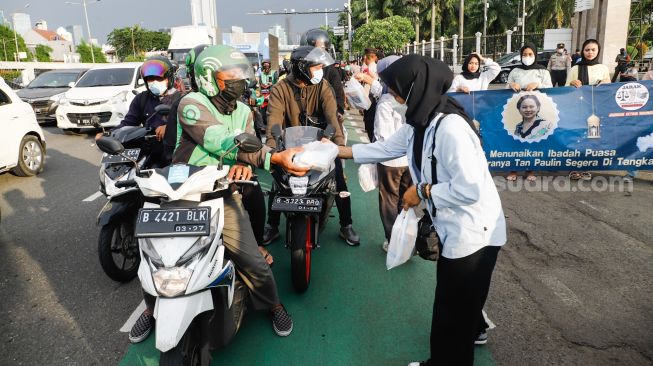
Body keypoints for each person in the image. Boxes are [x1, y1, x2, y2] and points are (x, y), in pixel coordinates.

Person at [335, 54, 506, 366]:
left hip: (474, 235)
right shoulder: (420, 121)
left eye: (397, 90)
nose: (393, 96)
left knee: (453, 316)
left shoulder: (450, 127)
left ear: (416, 89)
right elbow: (385, 149)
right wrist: (333, 151)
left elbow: (471, 189)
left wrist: (423, 191)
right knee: (450, 312)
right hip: (455, 229)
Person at [129, 45, 303, 344]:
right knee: (155, 256)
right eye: (230, 75)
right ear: (209, 77)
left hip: (220, 193)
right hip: (181, 193)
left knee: (252, 258)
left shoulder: (246, 111)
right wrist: (272, 158)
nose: (239, 80)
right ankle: (150, 307)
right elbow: (217, 139)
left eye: (240, 74)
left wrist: (244, 167)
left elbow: (243, 149)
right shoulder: (191, 103)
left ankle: (273, 304)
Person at [262, 45, 361, 246]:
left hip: (322, 143)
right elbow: (273, 120)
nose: (319, 71)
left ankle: (346, 225)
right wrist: (272, 150)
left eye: (320, 67)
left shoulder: (323, 86)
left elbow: (333, 117)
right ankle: (272, 227)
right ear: (300, 67)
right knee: (277, 181)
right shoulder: (280, 88)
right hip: (290, 145)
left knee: (339, 181)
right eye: (315, 67)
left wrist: (338, 147)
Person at [96, 55, 181, 169]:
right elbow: (128, 123)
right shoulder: (142, 99)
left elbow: (191, 126)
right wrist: (108, 134)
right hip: (149, 154)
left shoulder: (182, 99)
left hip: (175, 155)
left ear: (169, 78)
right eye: (150, 79)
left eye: (159, 78)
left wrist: (169, 127)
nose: (154, 82)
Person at [365, 55, 412, 252]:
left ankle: (393, 240)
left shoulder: (385, 101)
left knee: (389, 201)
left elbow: (382, 136)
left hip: (391, 162)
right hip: (410, 160)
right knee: (406, 200)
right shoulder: (414, 97)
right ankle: (406, 238)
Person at [506, 44, 552, 182]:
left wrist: (538, 85)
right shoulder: (515, 71)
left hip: (536, 108)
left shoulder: (543, 71)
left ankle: (530, 170)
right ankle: (513, 169)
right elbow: (506, 87)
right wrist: (511, 85)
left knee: (532, 139)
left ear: (535, 55)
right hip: (518, 109)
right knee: (516, 140)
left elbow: (550, 88)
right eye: (524, 54)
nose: (527, 57)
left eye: (530, 54)